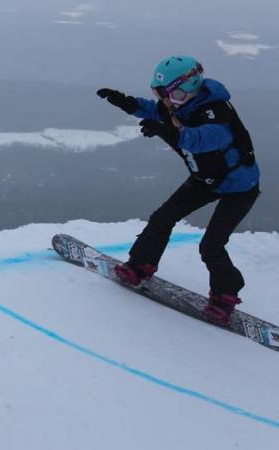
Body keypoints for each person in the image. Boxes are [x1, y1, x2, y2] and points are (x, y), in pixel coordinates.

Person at [97, 55, 260, 326]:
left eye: (173, 94)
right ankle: (140, 265)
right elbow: (153, 110)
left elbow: (200, 140)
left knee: (211, 246)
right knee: (162, 218)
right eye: (161, 94)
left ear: (191, 87)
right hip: (205, 179)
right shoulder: (176, 106)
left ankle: (224, 297)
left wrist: (166, 132)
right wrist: (125, 102)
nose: (168, 100)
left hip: (239, 188)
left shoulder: (217, 113)